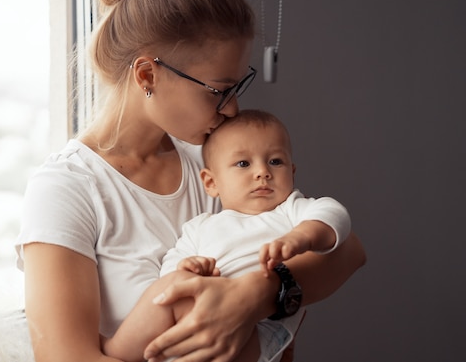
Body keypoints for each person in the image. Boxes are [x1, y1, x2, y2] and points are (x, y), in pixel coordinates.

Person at [15, 0, 366, 362]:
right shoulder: (67, 190)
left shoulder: (211, 161)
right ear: (147, 75)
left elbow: (348, 251)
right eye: (219, 90)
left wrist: (255, 295)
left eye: (239, 87)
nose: (233, 109)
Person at [101, 110, 351, 362]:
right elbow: (172, 266)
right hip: (206, 316)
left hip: (261, 329)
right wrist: (189, 267)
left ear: (293, 172)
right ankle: (118, 351)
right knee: (170, 287)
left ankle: (118, 350)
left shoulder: (290, 211)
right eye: (244, 163)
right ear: (211, 183)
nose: (262, 172)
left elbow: (334, 213)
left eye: (276, 161)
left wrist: (301, 237)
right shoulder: (200, 227)